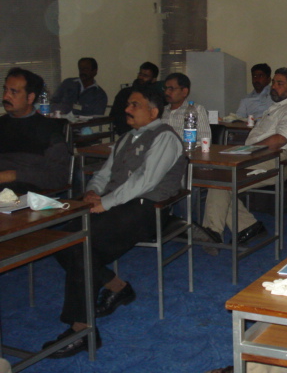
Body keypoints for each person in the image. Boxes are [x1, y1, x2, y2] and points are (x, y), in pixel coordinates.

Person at [42, 86, 186, 358]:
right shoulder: (126, 138)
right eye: (128, 104)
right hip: (115, 205)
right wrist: (92, 192)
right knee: (60, 241)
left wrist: (105, 203)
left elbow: (145, 181)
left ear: (153, 112)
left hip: (146, 210)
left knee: (80, 245)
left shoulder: (165, 137)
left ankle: (82, 330)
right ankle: (117, 287)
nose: (127, 109)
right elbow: (104, 173)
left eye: (135, 105)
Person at [201, 68, 287, 245]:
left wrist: (247, 152)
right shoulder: (276, 107)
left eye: (280, 84)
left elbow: (280, 139)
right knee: (221, 180)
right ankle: (248, 227)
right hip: (260, 156)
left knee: (224, 181)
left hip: (275, 160)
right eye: (274, 82)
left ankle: (213, 231)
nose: (274, 87)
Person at [0, 67, 71, 194]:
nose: (6, 96)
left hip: (26, 193)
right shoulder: (2, 124)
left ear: (30, 98)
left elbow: (59, 177)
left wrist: (14, 175)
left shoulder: (48, 130)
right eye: (5, 89)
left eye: (13, 92)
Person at [111, 62, 161, 136]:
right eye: (140, 74)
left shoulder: (156, 96)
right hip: (126, 132)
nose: (141, 77)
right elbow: (115, 115)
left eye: (145, 76)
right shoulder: (125, 93)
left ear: (154, 80)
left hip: (150, 133)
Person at [162, 72, 211, 142]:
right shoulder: (161, 111)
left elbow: (205, 139)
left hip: (187, 148)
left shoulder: (197, 110)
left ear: (184, 92)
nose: (166, 92)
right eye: (165, 88)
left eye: (171, 89)